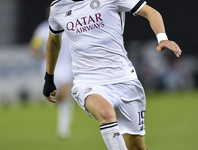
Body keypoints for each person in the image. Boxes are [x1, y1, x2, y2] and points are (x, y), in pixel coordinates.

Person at [43, 0, 182, 149]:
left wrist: (162, 39)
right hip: (88, 81)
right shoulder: (58, 6)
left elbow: (150, 12)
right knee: (105, 113)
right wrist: (48, 77)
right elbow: (54, 41)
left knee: (136, 147)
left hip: (125, 80)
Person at [30, 7, 74, 139]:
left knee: (64, 95)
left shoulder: (69, 25)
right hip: (51, 67)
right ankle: (62, 112)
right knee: (58, 96)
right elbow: (33, 48)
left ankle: (63, 129)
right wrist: (45, 56)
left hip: (67, 66)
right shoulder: (43, 29)